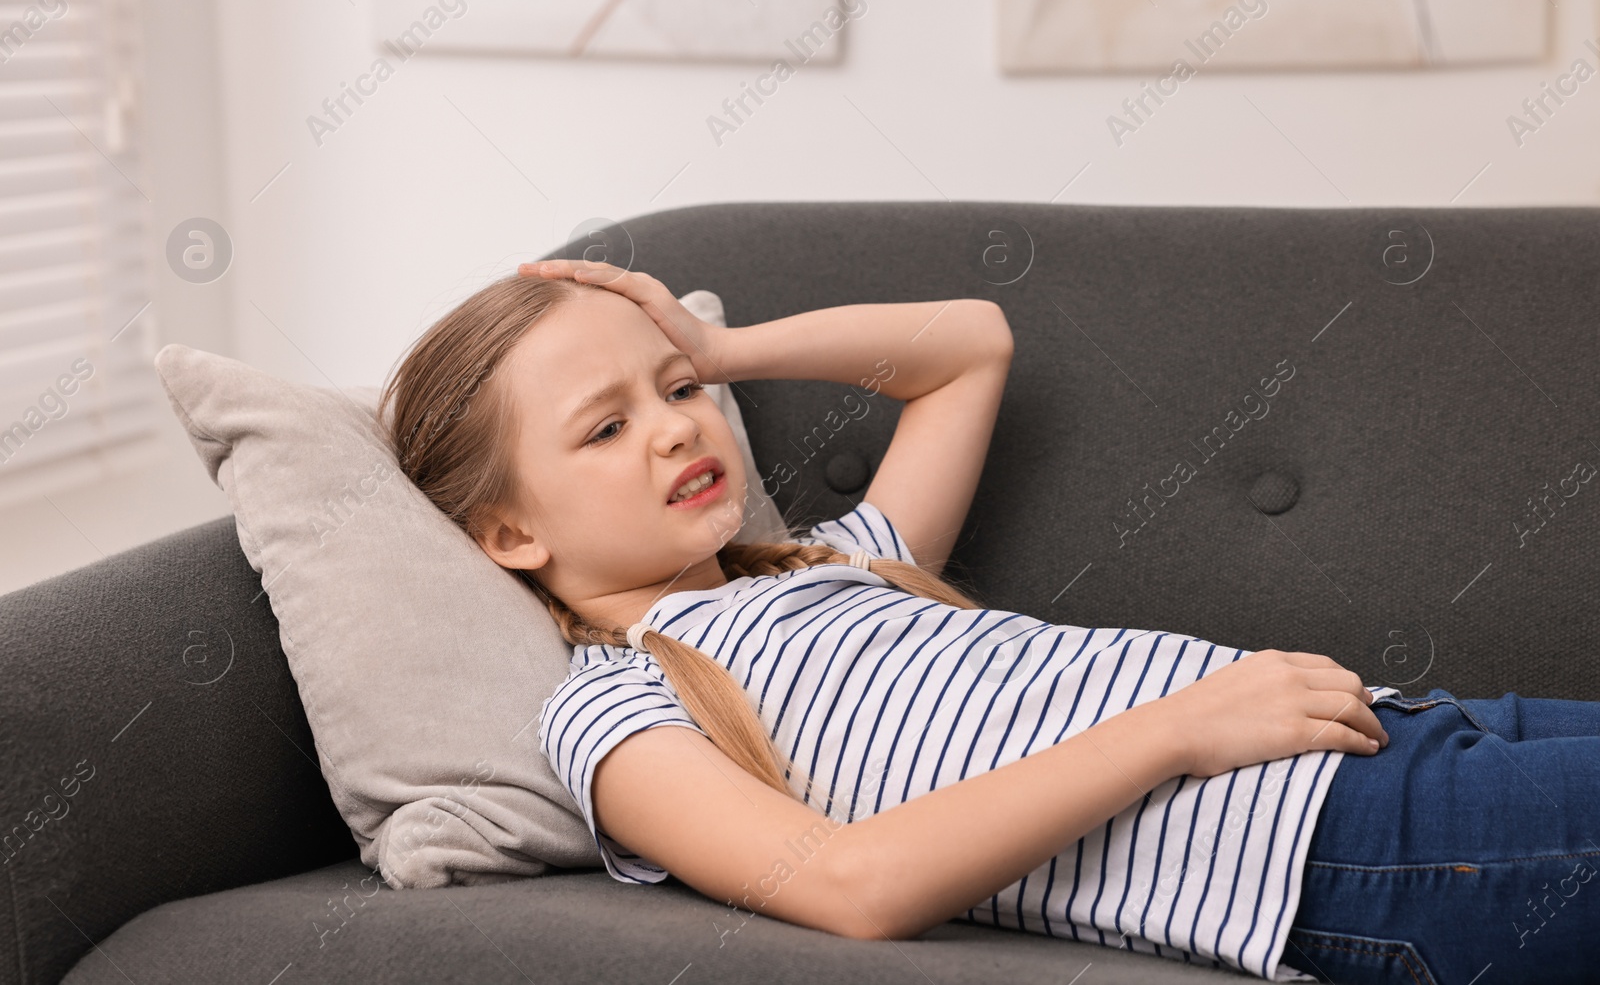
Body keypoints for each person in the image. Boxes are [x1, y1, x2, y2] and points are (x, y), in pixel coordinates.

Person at [380, 259, 1599, 983]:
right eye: (605, 426)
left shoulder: (838, 561)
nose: (676, 424)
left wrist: (721, 341)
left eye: (680, 390)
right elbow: (854, 884)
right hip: (1341, 845)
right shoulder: (612, 700)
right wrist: (1181, 727)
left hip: (1405, 735)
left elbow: (968, 345)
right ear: (506, 534)